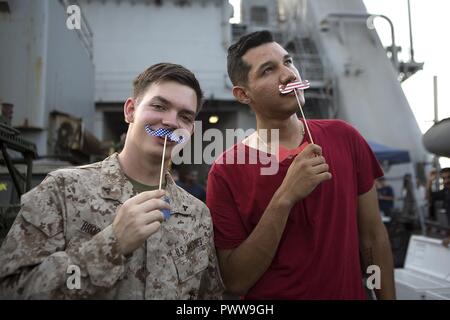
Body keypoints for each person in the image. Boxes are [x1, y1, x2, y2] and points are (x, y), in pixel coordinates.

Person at [0, 63, 223, 299]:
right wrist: (112, 244)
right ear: (130, 111)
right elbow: (11, 291)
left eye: (185, 116)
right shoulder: (62, 190)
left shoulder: (198, 215)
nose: (171, 122)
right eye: (159, 106)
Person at [206, 31, 395, 299]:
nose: (289, 75)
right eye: (268, 70)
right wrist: (285, 197)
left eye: (288, 61)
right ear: (243, 94)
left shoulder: (345, 137)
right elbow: (235, 281)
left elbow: (373, 238)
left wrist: (384, 297)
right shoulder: (226, 170)